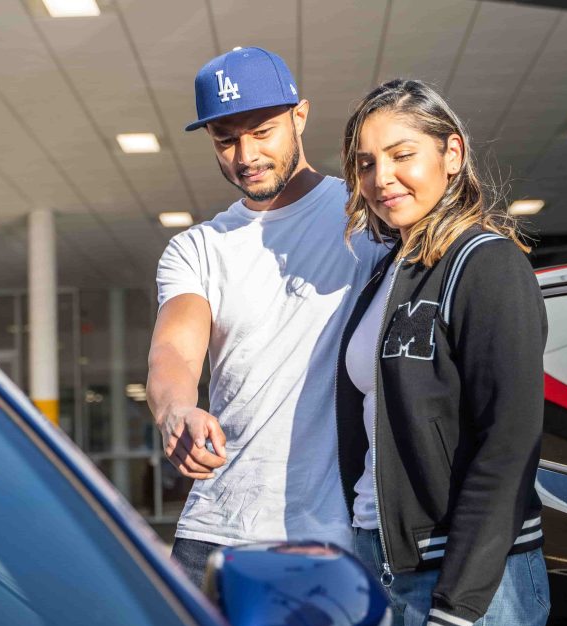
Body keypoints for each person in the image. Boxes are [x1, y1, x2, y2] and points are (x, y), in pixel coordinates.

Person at [147, 47, 387, 587]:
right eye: (225, 138)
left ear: (299, 116)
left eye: (262, 131)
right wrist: (176, 411)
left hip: (342, 534)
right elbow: (174, 352)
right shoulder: (199, 248)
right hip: (220, 527)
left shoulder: (366, 215)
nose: (245, 154)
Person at [335, 79, 549, 626]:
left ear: (451, 154)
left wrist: (453, 621)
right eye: (367, 163)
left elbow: (507, 445)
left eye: (403, 155)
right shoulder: (387, 274)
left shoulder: (488, 265)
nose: (382, 178)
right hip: (379, 560)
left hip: (469, 583)